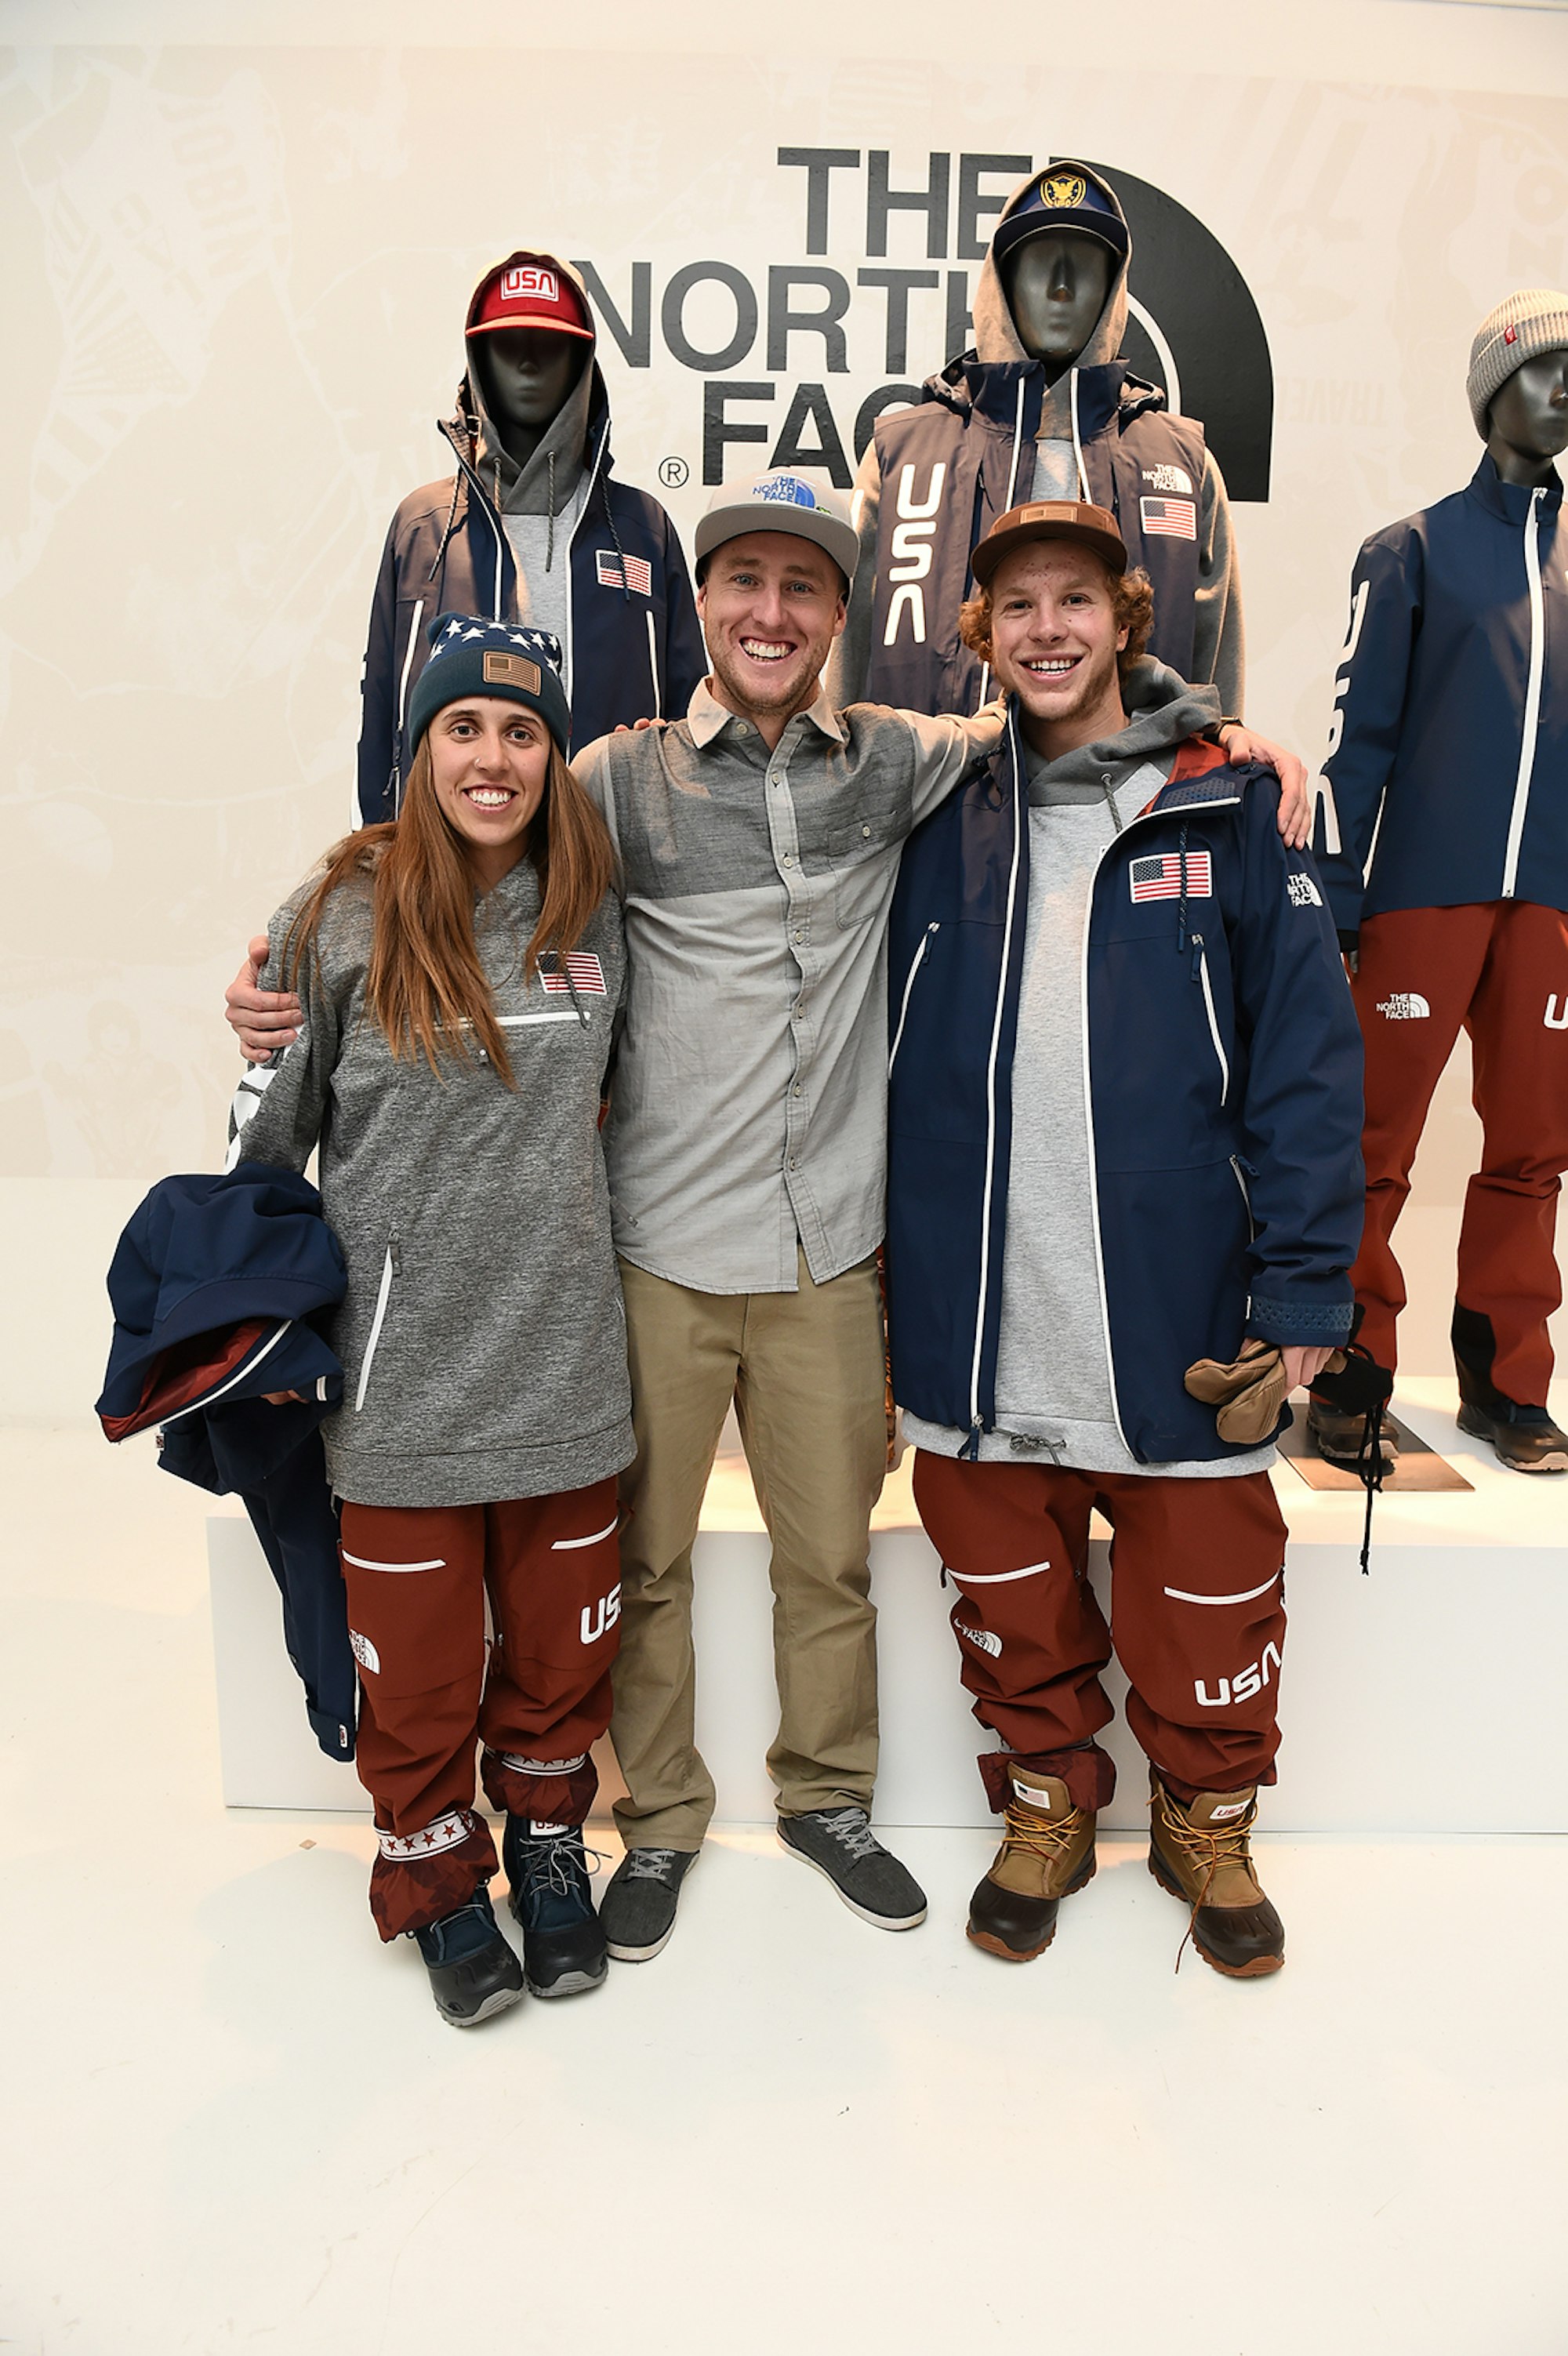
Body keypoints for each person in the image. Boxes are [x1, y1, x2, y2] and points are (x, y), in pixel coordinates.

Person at [230, 472, 1311, 1969]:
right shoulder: (613, 779)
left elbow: (1071, 707)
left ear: (840, 616)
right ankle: (663, 1818)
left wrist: (1224, 733)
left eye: (804, 588)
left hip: (831, 1259)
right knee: (646, 1572)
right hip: (657, 1254)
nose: (771, 612)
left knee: (830, 1563)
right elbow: (460, 823)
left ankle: (827, 1799)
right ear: (703, 604)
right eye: (744, 580)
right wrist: (290, 960)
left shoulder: (904, 759)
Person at [885, 499, 1363, 1978]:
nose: (1048, 630)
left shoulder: (1229, 803)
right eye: (1019, 606)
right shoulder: (934, 807)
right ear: (984, 633)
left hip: (1181, 1300)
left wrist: (1305, 1289)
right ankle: (1047, 1801)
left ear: (1124, 621)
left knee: (1210, 1590)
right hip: (984, 1300)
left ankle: (1206, 1817)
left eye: (1076, 601)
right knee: (1006, 1588)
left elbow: (1308, 1064)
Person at [228, 615, 632, 2027]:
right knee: (418, 1676)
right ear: (419, 749)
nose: (493, 757)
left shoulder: (594, 905)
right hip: (400, 1386)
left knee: (562, 1655)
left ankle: (545, 1841)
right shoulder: (334, 915)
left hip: (567, 1368)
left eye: (522, 731)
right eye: (463, 727)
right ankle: (435, 1875)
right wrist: (265, 1341)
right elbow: (265, 1153)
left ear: (553, 757)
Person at [1309, 289, 1568, 1476]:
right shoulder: (1409, 550)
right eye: (1540, 369)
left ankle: (1505, 1381)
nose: (1562, 392)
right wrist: (1334, 893)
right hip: (1420, 892)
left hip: (1549, 905)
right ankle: (1351, 1367)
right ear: (1489, 393)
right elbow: (1356, 739)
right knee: (1372, 1142)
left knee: (1532, 1148)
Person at [829, 162, 1243, 723]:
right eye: (1039, 264)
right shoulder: (903, 455)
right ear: (1001, 281)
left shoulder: (1179, 463)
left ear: (1114, 286)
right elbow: (848, 655)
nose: (1062, 287)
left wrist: (1221, 750)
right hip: (934, 776)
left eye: (1086, 265)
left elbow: (1215, 684)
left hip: (1131, 778)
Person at [358, 250, 705, 822]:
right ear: (477, 358)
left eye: (550, 344)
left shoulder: (642, 529)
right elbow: (380, 715)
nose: (527, 362)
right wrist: (378, 849)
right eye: (506, 342)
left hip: (610, 855)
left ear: (582, 361)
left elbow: (691, 721)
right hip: (448, 860)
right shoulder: (424, 527)